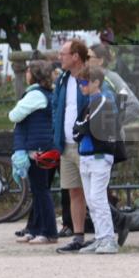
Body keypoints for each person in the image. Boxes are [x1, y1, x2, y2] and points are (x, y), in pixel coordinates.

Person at [72, 66, 123, 254]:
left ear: (96, 83)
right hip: (85, 156)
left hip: (99, 156)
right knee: (91, 200)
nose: (81, 86)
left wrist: (82, 126)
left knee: (98, 198)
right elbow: (77, 129)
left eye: (84, 83)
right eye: (79, 83)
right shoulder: (87, 104)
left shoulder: (103, 101)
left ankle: (108, 239)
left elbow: (85, 126)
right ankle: (100, 237)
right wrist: (82, 127)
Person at [10, 61, 58, 245]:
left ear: (34, 74)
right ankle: (35, 228)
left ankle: (49, 232)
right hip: (44, 146)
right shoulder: (45, 92)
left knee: (41, 191)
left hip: (37, 149)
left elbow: (14, 115)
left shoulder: (35, 94)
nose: (26, 72)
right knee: (38, 191)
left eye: (28, 70)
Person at [53, 39, 92, 253]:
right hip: (66, 145)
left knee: (94, 191)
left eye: (63, 54)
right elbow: (56, 107)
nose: (60, 57)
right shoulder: (62, 79)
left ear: (75, 56)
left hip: (86, 144)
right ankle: (78, 235)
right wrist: (55, 133)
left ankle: (106, 231)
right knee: (74, 192)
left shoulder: (90, 76)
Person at [88, 43, 139, 124]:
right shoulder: (84, 79)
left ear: (100, 61)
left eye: (88, 57)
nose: (84, 60)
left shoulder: (112, 78)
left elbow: (135, 107)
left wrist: (110, 123)